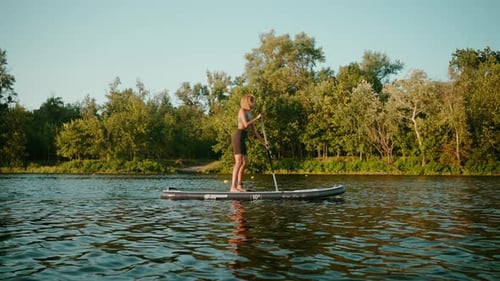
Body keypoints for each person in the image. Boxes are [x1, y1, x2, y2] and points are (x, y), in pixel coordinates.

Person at [230, 94, 268, 192]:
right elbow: (245, 124)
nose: (254, 103)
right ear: (248, 102)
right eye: (253, 101)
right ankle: (232, 187)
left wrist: (264, 143)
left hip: (243, 138)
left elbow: (255, 132)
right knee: (238, 162)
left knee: (245, 163)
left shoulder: (250, 114)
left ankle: (239, 186)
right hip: (238, 136)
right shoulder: (241, 111)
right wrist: (256, 118)